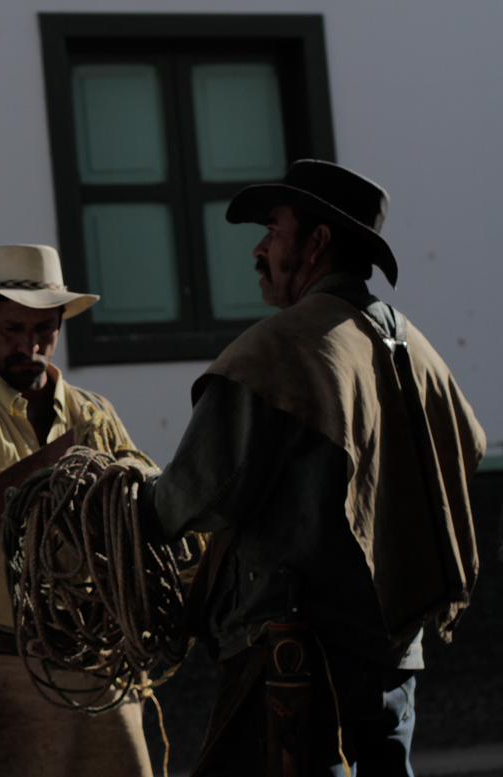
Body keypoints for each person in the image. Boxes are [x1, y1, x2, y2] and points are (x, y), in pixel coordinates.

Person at [138, 160, 485, 775]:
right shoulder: (417, 348)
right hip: (394, 659)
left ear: (318, 241)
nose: (260, 250)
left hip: (294, 658)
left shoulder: (283, 347)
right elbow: (470, 448)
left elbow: (193, 497)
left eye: (274, 230)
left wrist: (127, 503)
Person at [0, 244, 154, 777]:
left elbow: (140, 516)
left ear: (59, 327)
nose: (29, 346)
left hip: (96, 668)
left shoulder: (96, 413)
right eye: (11, 329)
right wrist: (52, 462)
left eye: (43, 330)